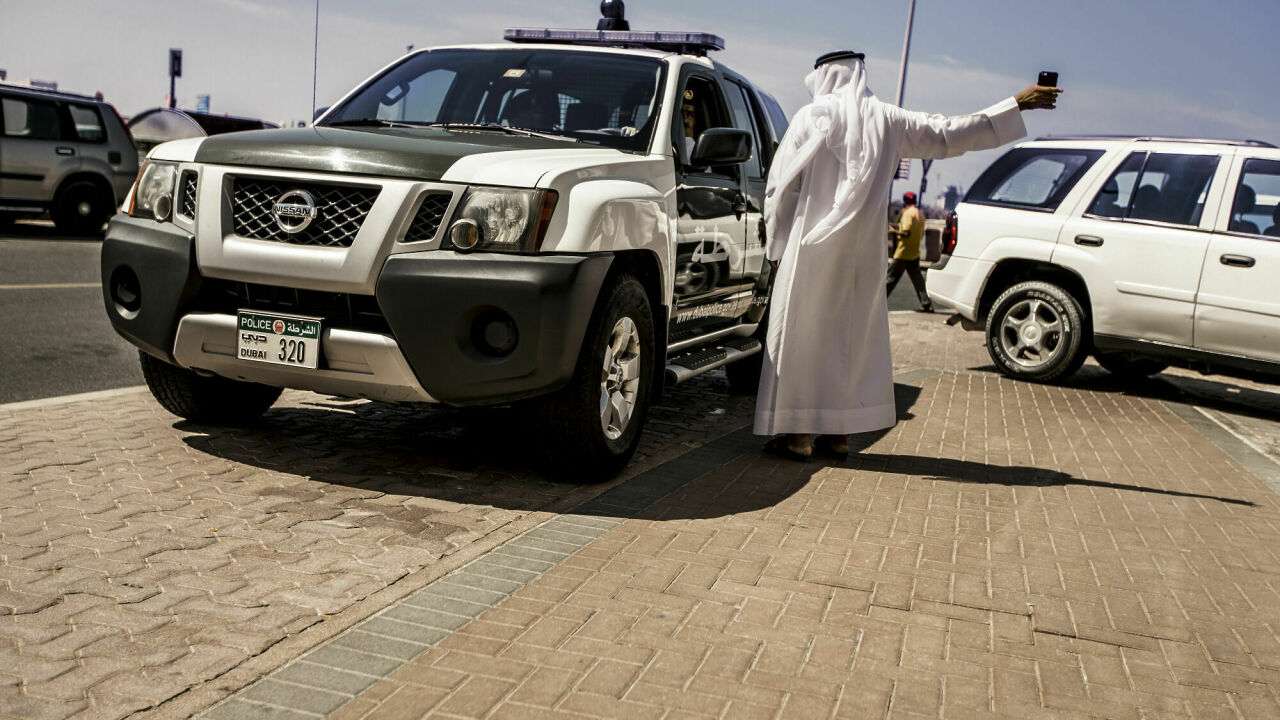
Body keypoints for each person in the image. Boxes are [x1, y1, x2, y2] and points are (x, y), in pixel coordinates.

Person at [757, 50, 1060, 460]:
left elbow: (781, 187)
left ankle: (798, 438)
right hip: (862, 257)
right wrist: (1016, 104)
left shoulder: (811, 117)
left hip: (810, 248)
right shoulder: (889, 120)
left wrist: (776, 243)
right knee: (852, 341)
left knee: (802, 337)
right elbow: (949, 133)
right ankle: (840, 435)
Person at [886, 191, 933, 312]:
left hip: (903, 252)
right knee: (918, 280)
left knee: (890, 278)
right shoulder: (920, 215)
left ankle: (877, 302)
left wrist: (893, 231)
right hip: (914, 253)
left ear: (905, 201)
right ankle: (926, 303)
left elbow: (906, 233)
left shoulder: (907, 214)